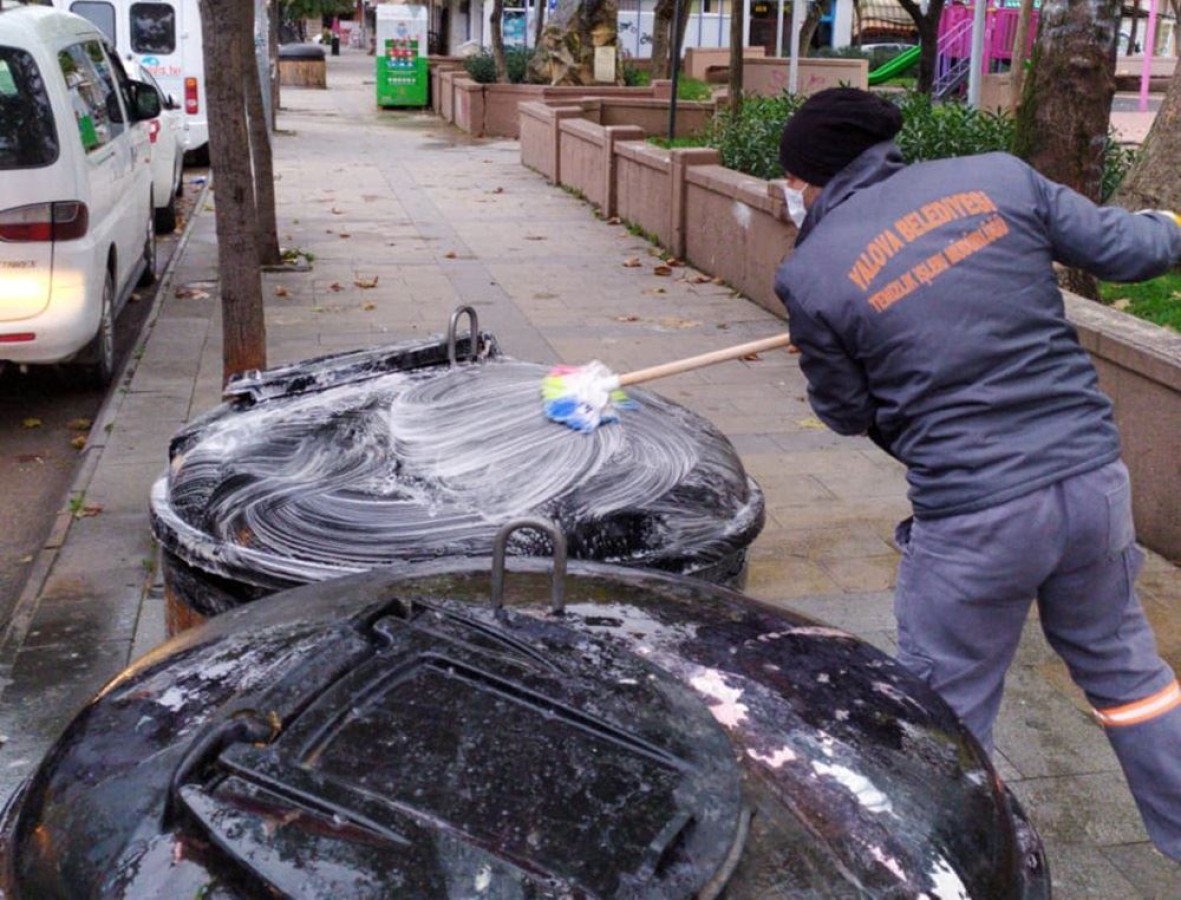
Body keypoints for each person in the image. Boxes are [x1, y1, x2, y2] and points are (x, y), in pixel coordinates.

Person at [773, 86, 1181, 862]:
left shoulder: (812, 274)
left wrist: (829, 347)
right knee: (1129, 676)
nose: (791, 193)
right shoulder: (998, 176)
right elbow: (1131, 250)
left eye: (792, 179)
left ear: (812, 177)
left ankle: (957, 868)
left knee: (944, 710)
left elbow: (848, 412)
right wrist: (1171, 227)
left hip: (974, 517)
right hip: (1090, 483)